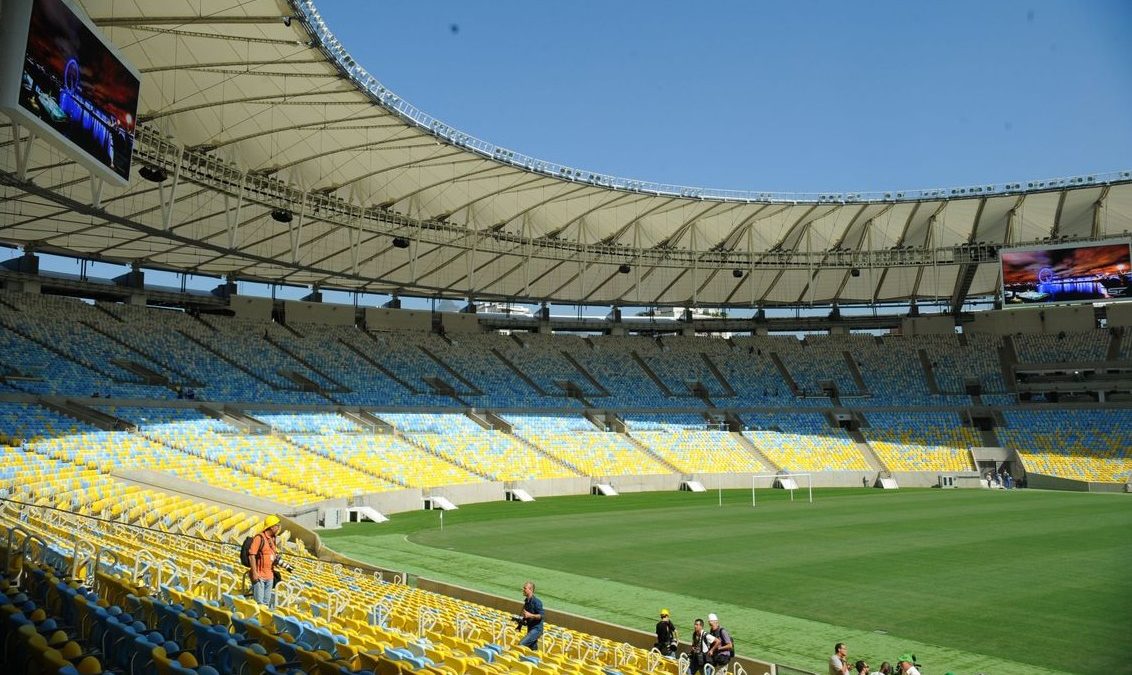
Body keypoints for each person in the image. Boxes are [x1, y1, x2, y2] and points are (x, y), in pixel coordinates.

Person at [247, 515, 281, 607]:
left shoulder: (273, 539)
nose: (278, 527)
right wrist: (254, 573)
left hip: (270, 576)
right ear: (272, 526)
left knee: (265, 604)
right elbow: (251, 555)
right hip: (259, 576)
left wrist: (276, 561)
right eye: (277, 525)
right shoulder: (259, 538)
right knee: (259, 604)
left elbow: (271, 555)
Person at [518, 581, 543, 651]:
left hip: (536, 630)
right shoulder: (526, 601)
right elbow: (527, 616)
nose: (523, 590)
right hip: (530, 629)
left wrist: (530, 615)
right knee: (532, 649)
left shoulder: (537, 602)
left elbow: (541, 616)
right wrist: (520, 625)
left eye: (525, 588)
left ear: (531, 590)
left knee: (521, 645)